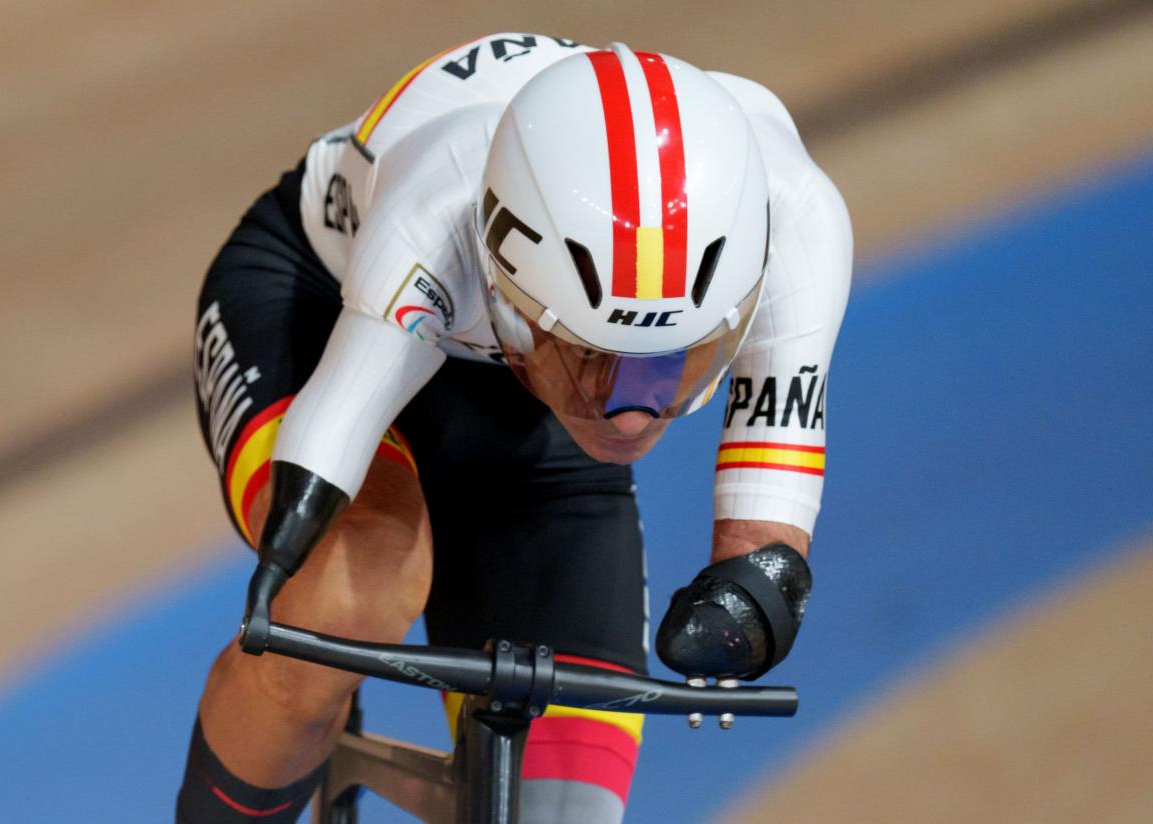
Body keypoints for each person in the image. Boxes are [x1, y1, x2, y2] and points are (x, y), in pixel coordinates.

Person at [180, 32, 851, 824]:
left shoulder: (795, 216)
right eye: (596, 359)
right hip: (318, 309)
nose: (628, 410)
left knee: (566, 811)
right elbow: (334, 429)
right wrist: (288, 588)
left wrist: (747, 611)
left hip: (531, 412)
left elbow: (770, 543)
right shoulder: (442, 200)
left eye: (669, 361)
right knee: (349, 596)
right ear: (509, 296)